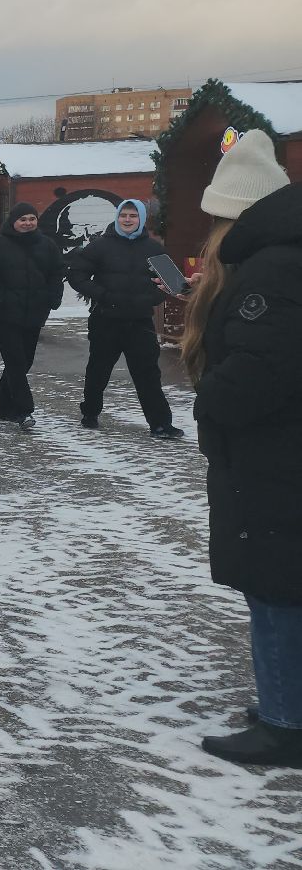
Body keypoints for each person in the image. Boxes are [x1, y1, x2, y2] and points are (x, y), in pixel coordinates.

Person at [178, 129, 301, 767]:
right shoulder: (283, 258)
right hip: (279, 455)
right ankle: (287, 702)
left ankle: (285, 724)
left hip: (275, 459)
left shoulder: (271, 269)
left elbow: (263, 366)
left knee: (276, 587)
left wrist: (211, 396)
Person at [64, 199, 180, 438]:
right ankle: (90, 412)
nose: (127, 220)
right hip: (106, 319)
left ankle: (160, 424)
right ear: (117, 218)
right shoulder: (100, 247)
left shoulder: (153, 248)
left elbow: (174, 282)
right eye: (123, 216)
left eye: (133, 216)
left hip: (139, 322)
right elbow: (77, 275)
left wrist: (152, 298)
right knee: (99, 369)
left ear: (141, 219)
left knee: (148, 374)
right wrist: (103, 295)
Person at [0, 202, 65, 430]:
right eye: (22, 219)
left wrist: (52, 298)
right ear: (13, 222)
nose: (27, 223)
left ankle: (3, 406)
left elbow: (57, 272)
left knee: (23, 362)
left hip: (34, 313)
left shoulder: (47, 245)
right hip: (4, 315)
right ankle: (23, 410)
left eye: (31, 219)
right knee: (15, 361)